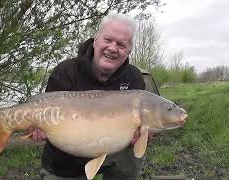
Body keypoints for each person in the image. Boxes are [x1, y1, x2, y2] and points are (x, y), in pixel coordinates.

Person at [32, 13, 146, 180]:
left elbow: (141, 130)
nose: (113, 48)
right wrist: (39, 127)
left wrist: (142, 134)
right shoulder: (65, 72)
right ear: (95, 41)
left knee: (130, 152)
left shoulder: (133, 77)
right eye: (108, 40)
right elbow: (47, 120)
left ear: (128, 51)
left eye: (121, 44)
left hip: (115, 149)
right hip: (67, 153)